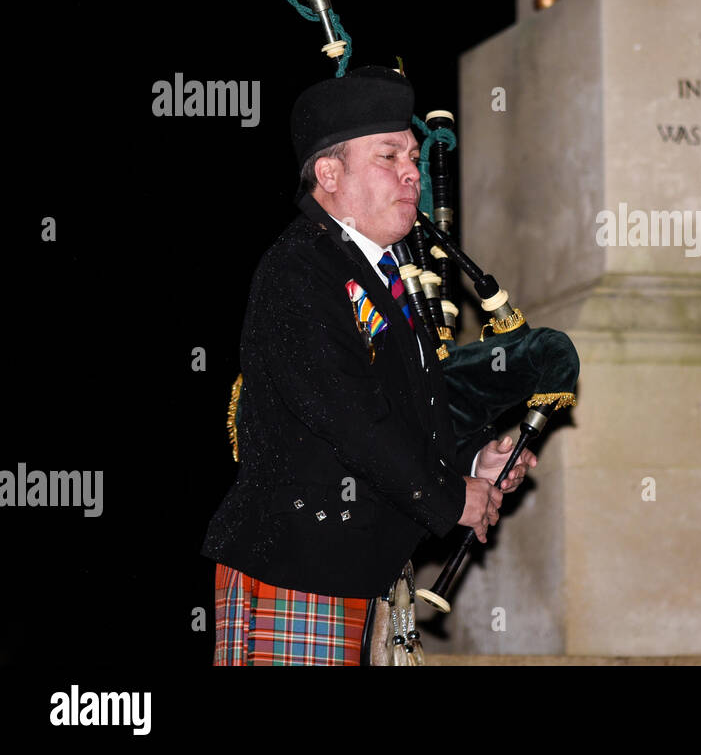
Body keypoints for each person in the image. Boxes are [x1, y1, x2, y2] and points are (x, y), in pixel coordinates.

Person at [201, 65, 536, 665]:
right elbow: (345, 412)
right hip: (298, 564)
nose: (412, 171)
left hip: (360, 572)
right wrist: (446, 495)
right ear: (329, 173)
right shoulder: (299, 270)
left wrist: (471, 458)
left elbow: (399, 411)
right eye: (389, 155)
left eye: (412, 154)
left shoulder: (383, 277)